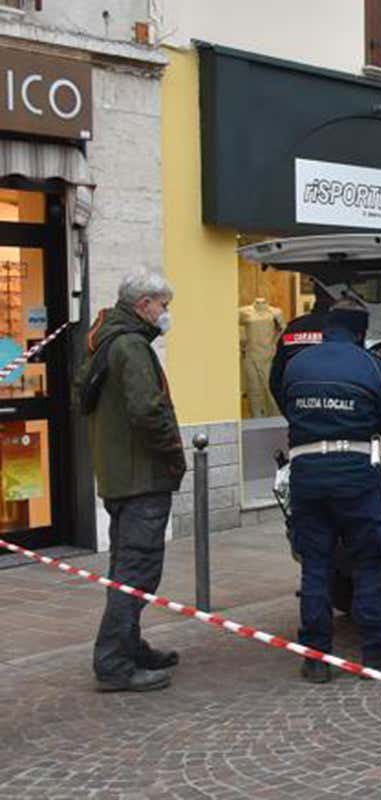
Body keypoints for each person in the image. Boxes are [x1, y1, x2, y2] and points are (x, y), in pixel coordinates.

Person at [280, 297, 381, 683]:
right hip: (354, 476)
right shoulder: (372, 366)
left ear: (327, 326)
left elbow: (287, 406)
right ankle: (376, 653)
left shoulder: (296, 364)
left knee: (316, 564)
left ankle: (316, 658)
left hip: (305, 474)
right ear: (361, 330)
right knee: (369, 561)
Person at [80, 271, 187, 693]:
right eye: (163, 305)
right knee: (136, 571)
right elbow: (147, 411)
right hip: (141, 476)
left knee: (125, 568)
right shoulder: (130, 345)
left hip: (121, 474)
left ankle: (129, 645)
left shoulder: (107, 339)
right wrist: (172, 454)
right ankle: (114, 663)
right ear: (143, 304)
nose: (166, 313)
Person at [268, 286, 333, 412]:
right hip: (337, 413)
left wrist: (290, 412)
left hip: (300, 412)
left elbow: (276, 379)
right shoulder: (342, 330)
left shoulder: (294, 328)